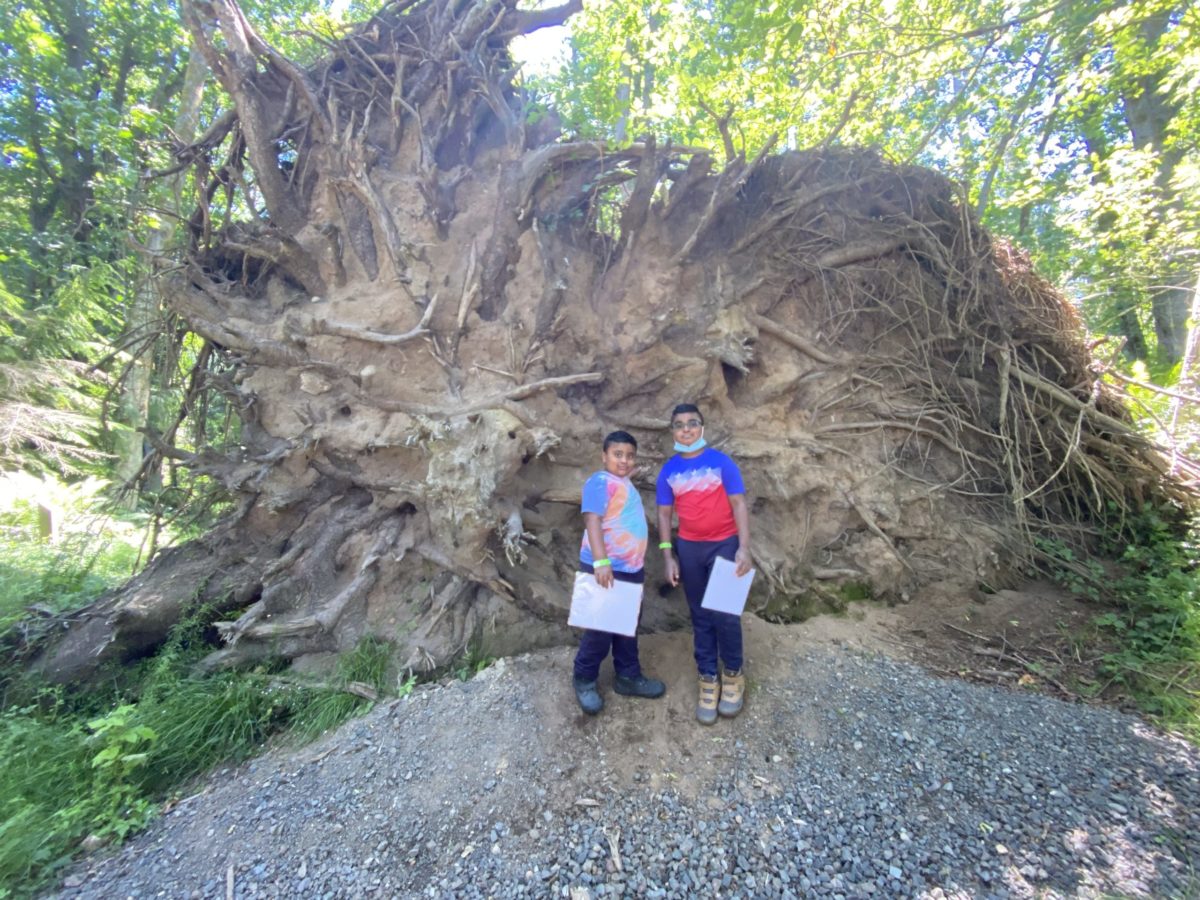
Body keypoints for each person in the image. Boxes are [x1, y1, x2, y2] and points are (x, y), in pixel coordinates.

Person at [656, 404, 753, 725]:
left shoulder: (721, 463)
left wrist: (744, 548)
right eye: (679, 425)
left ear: (702, 427)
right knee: (700, 616)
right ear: (673, 431)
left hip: (725, 544)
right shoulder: (668, 471)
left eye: (692, 423)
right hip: (690, 549)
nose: (686, 429)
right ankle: (708, 678)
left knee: (725, 614)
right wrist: (669, 555)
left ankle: (734, 674)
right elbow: (664, 515)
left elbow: (739, 503)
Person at [572, 430, 666, 714]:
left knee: (627, 627)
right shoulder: (600, 481)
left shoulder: (624, 483)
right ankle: (584, 678)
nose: (624, 460)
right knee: (600, 628)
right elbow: (592, 520)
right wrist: (601, 562)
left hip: (629, 569)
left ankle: (627, 676)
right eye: (617, 454)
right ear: (604, 456)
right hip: (606, 568)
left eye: (629, 455)